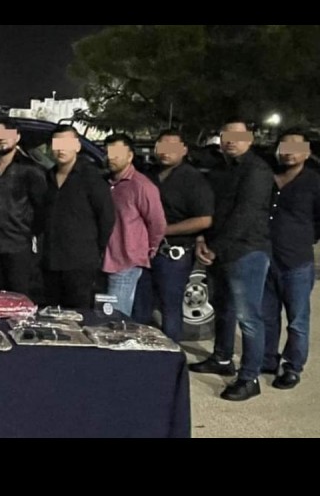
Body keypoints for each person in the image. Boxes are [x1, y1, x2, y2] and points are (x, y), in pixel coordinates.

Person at [190, 118, 273, 401]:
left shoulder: (257, 170)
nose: (230, 141)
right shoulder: (221, 169)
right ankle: (222, 358)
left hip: (246, 251)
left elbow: (244, 216)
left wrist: (215, 247)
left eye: (238, 136)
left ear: (250, 139)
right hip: (220, 250)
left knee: (248, 318)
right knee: (223, 309)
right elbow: (211, 209)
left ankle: (250, 378)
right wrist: (203, 239)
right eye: (226, 136)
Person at [135, 130, 214, 341]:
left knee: (170, 310)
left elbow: (204, 219)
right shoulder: (147, 175)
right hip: (144, 252)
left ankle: (171, 354)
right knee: (140, 309)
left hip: (172, 254)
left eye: (172, 147)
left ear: (184, 150)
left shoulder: (193, 179)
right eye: (161, 146)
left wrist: (163, 231)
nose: (165, 151)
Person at [261, 128, 320, 390]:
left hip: (297, 262)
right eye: (284, 146)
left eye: (296, 147)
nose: (289, 152)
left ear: (307, 152)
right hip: (265, 258)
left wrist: (304, 237)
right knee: (267, 316)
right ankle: (267, 359)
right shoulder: (268, 178)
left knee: (297, 320)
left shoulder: (314, 182)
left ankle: (292, 367)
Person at [41, 125, 115, 309]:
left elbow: (106, 216)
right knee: (51, 315)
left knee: (78, 314)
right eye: (57, 144)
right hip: (51, 260)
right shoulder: (48, 176)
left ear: (77, 146)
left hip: (80, 262)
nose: (61, 149)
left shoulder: (91, 176)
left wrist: (95, 249)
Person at [102, 133, 167, 317]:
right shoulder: (105, 182)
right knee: (103, 316)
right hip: (105, 259)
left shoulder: (141, 186)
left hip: (126, 261)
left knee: (115, 319)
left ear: (130, 156)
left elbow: (157, 222)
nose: (111, 158)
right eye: (108, 152)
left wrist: (149, 249)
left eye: (117, 153)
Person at [0, 117, 46, 296]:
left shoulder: (31, 169)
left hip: (18, 247)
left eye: (7, 133)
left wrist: (29, 233)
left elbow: (42, 209)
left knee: (18, 300)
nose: (2, 138)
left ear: (17, 137)